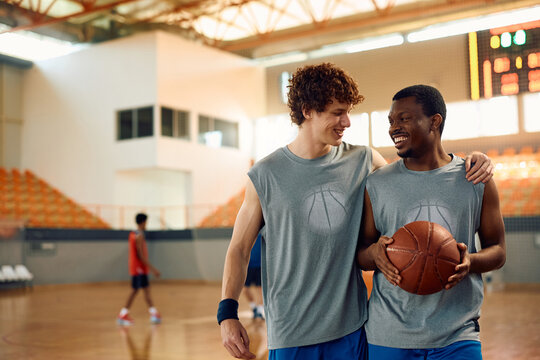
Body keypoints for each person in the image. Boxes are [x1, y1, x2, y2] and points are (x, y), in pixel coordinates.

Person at [218, 63, 494, 360]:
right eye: (337, 112)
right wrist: (227, 314)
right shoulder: (265, 174)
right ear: (308, 110)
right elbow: (239, 250)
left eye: (347, 112)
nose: (347, 121)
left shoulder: (363, 160)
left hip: (353, 330)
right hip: (291, 332)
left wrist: (470, 161)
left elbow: (415, 177)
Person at [357, 84, 506, 359]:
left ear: (434, 122)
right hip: (389, 334)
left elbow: (498, 250)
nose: (394, 128)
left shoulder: (475, 179)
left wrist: (470, 262)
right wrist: (375, 255)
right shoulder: (377, 183)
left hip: (457, 333)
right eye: (391, 121)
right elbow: (361, 253)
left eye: (404, 118)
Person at [117, 213, 162, 326]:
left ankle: (153, 313)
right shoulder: (139, 235)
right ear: (143, 222)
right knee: (135, 290)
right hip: (139, 268)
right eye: (146, 222)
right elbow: (140, 255)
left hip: (138, 267)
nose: (146, 224)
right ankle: (123, 314)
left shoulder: (132, 234)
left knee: (146, 289)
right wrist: (153, 269)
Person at [243, 233, 264, 319]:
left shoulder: (263, 232)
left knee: (261, 290)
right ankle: (254, 308)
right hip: (249, 266)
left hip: (260, 266)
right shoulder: (247, 232)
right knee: (245, 290)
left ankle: (259, 310)